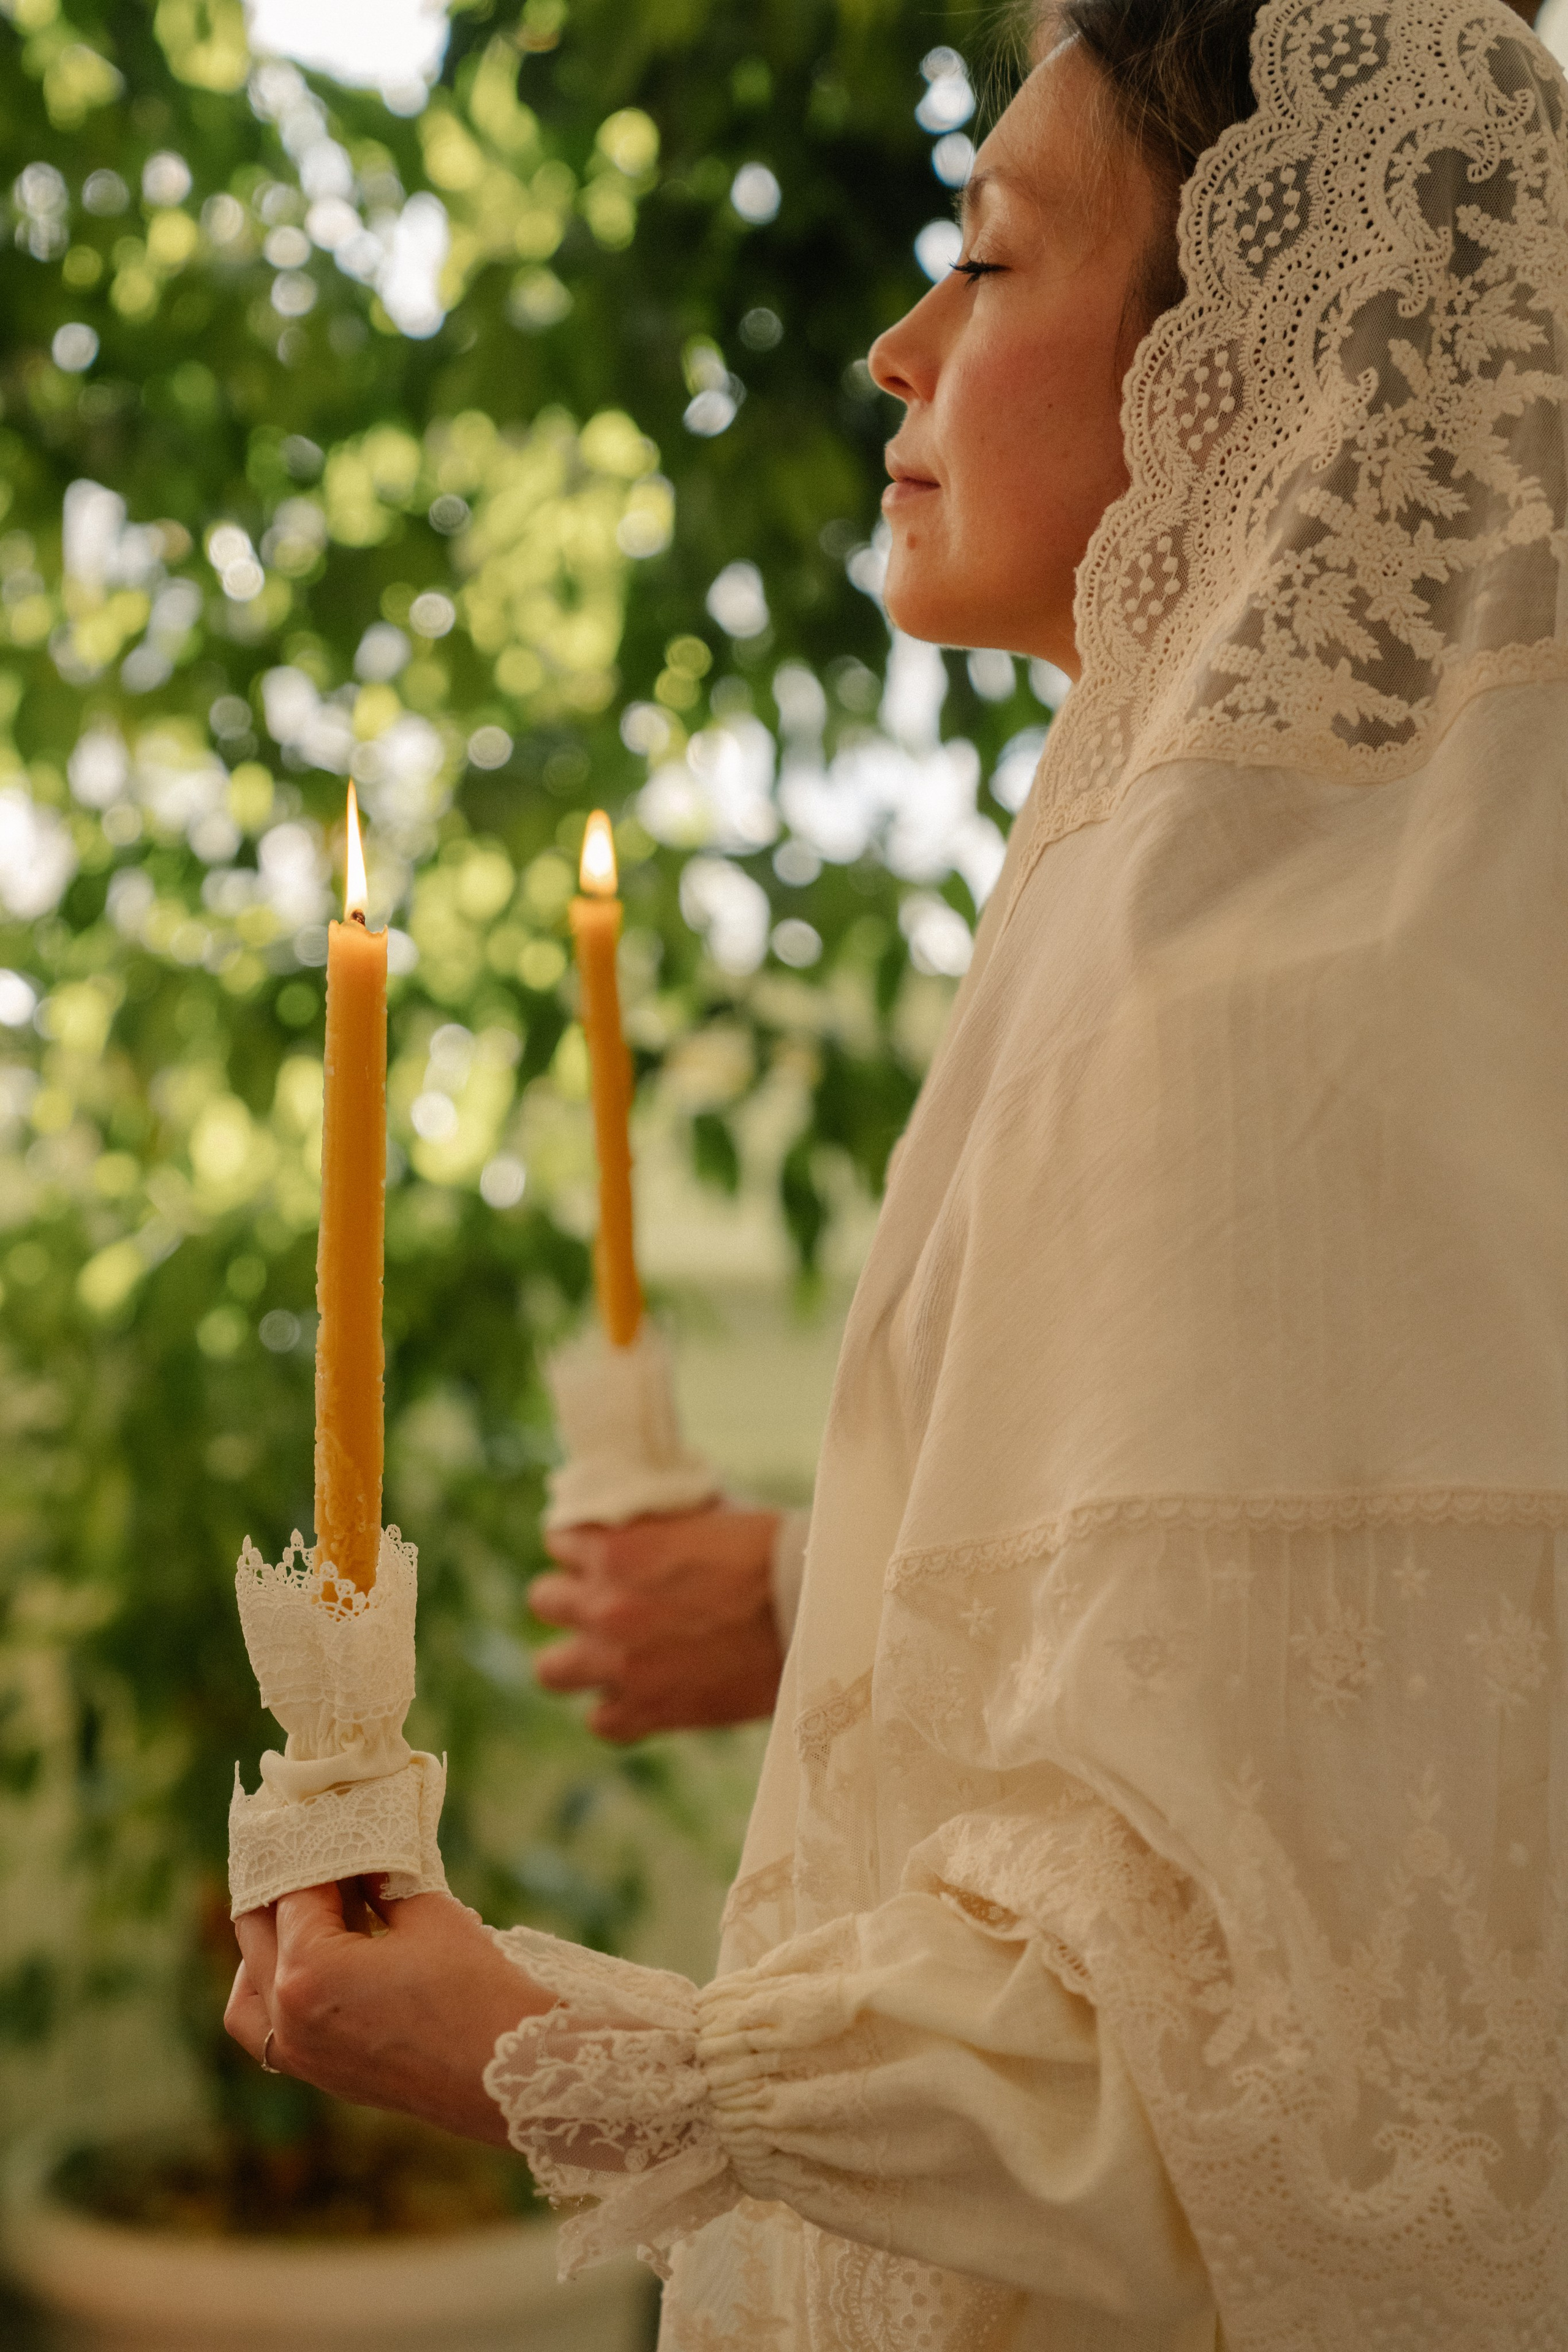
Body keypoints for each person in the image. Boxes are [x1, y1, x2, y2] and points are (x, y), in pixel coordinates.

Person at [225, 0, 1568, 2340]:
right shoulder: (1311, 940)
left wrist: (549, 2051)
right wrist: (793, 1597)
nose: (894, 343)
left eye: (991, 257)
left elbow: (1308, 2070)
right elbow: (1356, 1726)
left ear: (1243, 377)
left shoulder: (1245, 1024)